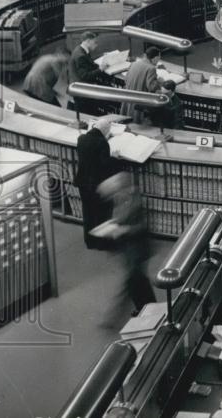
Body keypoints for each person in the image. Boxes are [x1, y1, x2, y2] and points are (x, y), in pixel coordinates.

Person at [97, 170, 156, 325]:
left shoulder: (135, 201)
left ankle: (115, 317)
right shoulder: (121, 198)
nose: (112, 197)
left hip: (138, 249)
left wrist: (124, 230)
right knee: (136, 283)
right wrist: (112, 225)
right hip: (128, 250)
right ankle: (148, 310)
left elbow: (143, 227)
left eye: (113, 193)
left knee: (133, 282)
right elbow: (119, 216)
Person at [75, 119, 120, 250]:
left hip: (83, 183)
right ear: (106, 131)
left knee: (88, 213)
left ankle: (90, 242)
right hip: (97, 184)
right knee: (102, 214)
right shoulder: (102, 143)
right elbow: (105, 165)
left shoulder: (81, 139)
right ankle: (102, 244)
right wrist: (115, 158)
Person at [122, 47, 162, 123]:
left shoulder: (134, 63)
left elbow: (126, 79)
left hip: (128, 99)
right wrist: (159, 82)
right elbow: (151, 87)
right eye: (159, 58)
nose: (158, 61)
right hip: (139, 102)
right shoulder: (151, 68)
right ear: (155, 57)